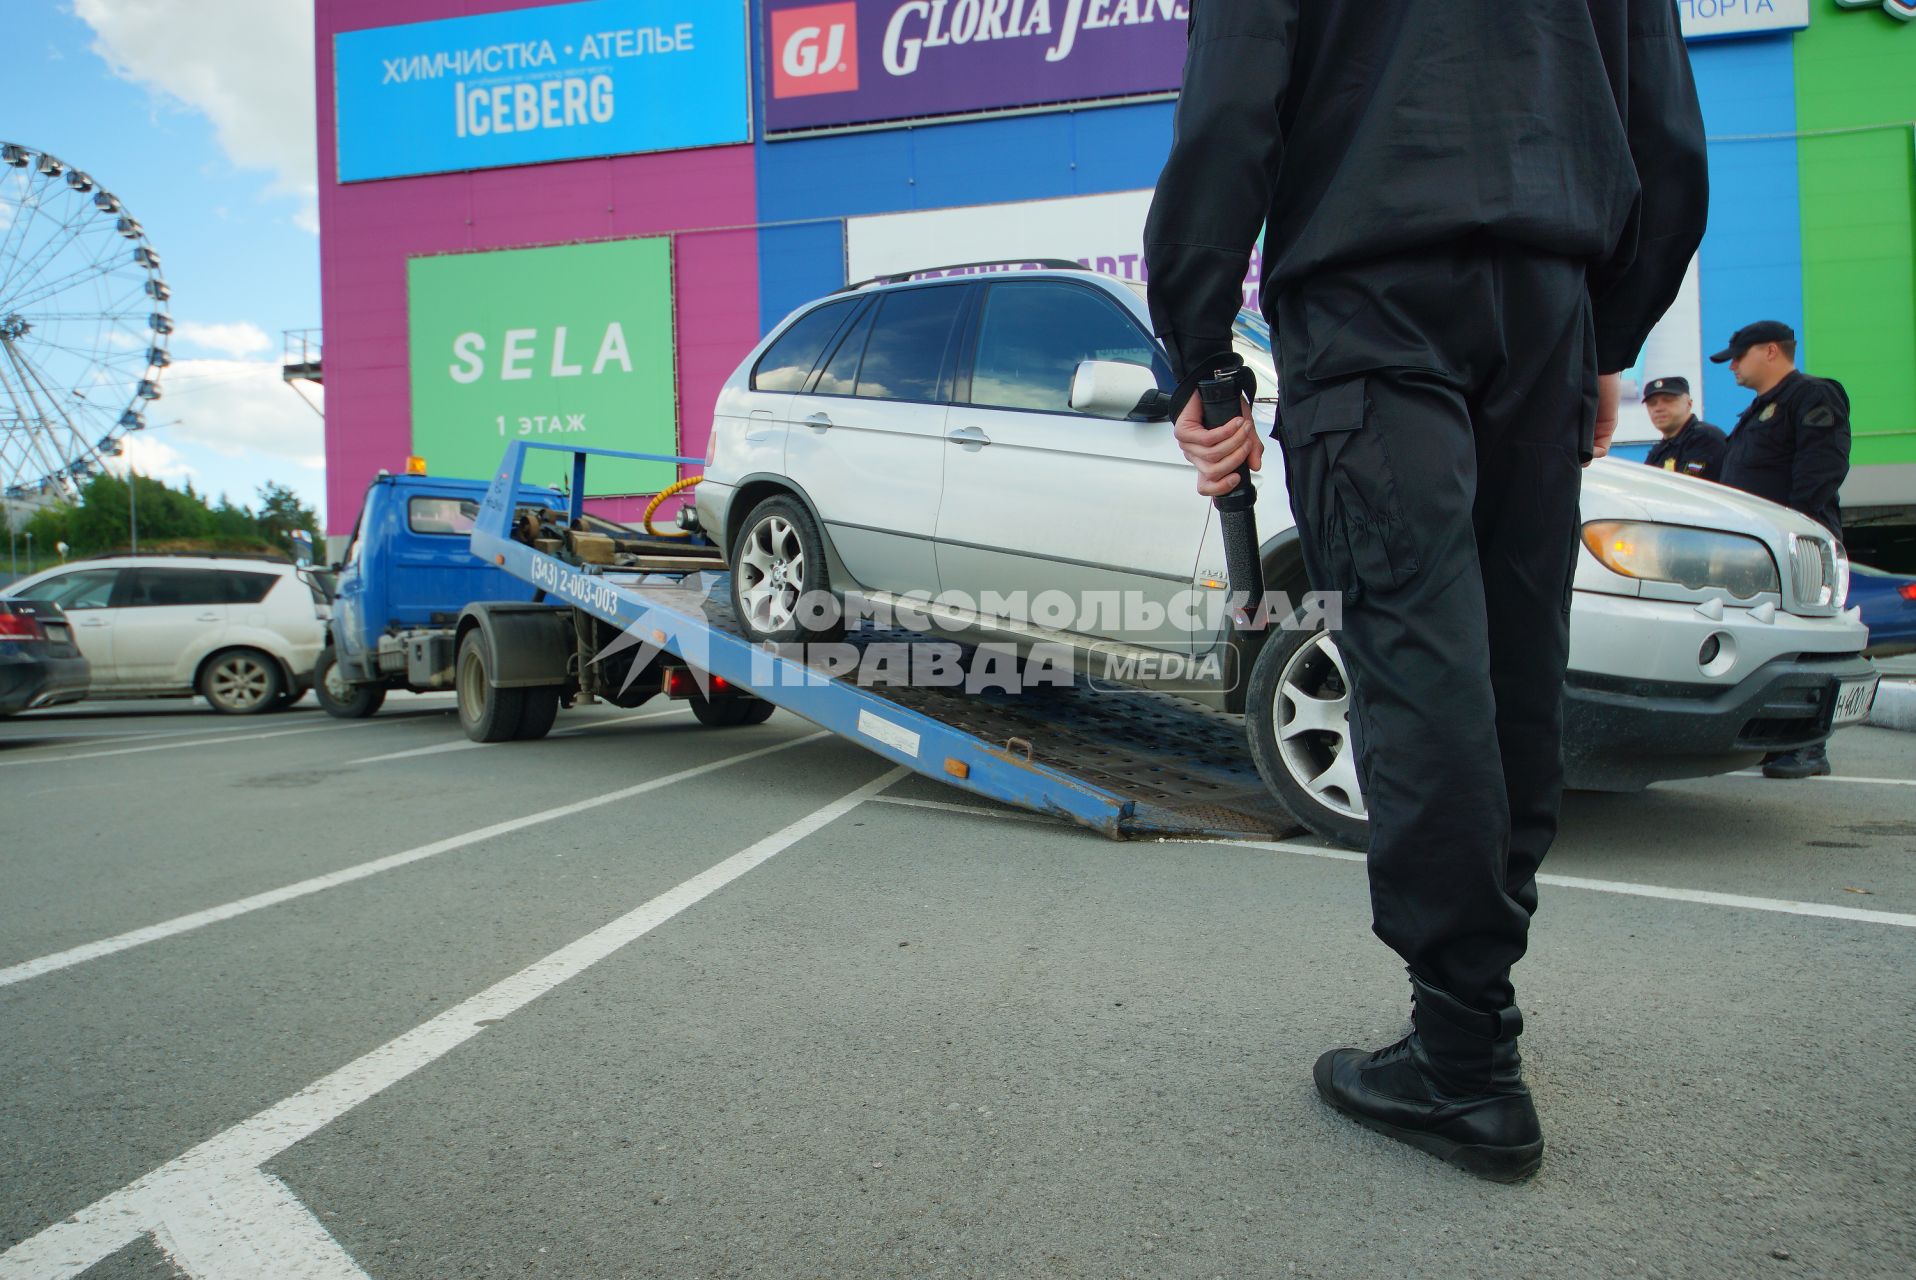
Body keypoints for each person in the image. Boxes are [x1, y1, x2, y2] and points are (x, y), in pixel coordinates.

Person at [1145, 1, 1706, 1181]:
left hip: (1370, 301)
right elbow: (1664, 130)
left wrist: (1201, 353)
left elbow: (1230, 112)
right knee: (1508, 666)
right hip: (1543, 304)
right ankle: (1472, 1022)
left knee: (1419, 670)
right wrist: (1603, 333)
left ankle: (1461, 1060)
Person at [1711, 320, 1852, 779]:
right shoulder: (1756, 412)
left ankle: (1810, 747)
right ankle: (1779, 740)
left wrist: (1792, 533)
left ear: (1771, 351)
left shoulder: (1812, 395)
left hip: (1796, 547)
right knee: (1774, 649)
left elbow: (1820, 469)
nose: (1732, 365)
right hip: (1757, 553)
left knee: (1808, 648)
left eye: (1739, 354)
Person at [1641, 376, 1727, 481]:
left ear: (1689, 404)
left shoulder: (1704, 438)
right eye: (1652, 403)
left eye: (1668, 400)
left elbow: (1687, 488)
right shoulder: (1659, 451)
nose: (1658, 408)